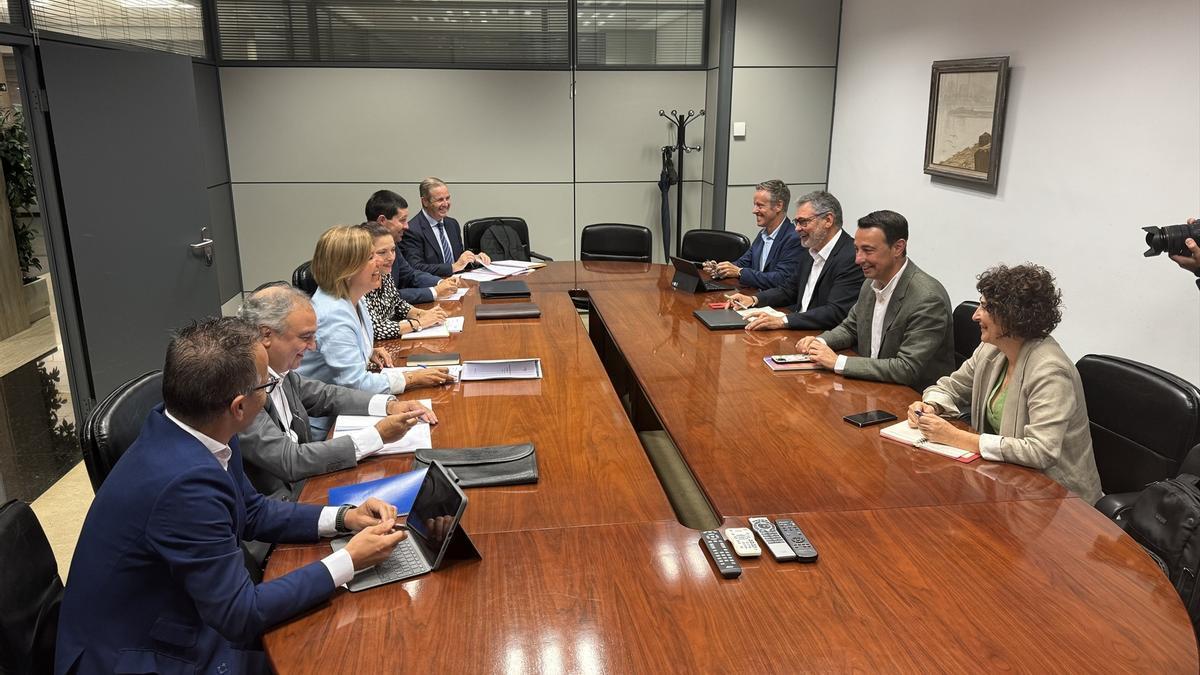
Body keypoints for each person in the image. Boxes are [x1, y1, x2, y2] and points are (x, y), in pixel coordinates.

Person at [55, 317, 407, 674]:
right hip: (137, 655)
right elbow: (241, 614)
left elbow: (251, 511)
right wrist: (348, 561)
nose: (271, 390)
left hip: (184, 613)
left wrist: (343, 517)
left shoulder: (201, 425)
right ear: (239, 406)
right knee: (339, 652)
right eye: (267, 385)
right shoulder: (185, 486)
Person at [906, 264, 1102, 504]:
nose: (975, 315)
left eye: (985, 307)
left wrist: (955, 437)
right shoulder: (991, 349)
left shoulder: (1050, 370)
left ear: (1011, 316)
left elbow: (1040, 451)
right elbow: (950, 387)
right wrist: (931, 406)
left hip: (1057, 502)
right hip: (1002, 482)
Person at [237, 284, 436, 505]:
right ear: (266, 335)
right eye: (306, 337)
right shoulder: (243, 387)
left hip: (308, 486)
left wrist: (388, 405)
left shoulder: (281, 370)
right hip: (282, 512)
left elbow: (325, 395)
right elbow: (290, 460)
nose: (313, 346)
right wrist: (377, 436)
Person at [297, 225, 454, 437]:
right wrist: (412, 378)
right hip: (327, 425)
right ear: (347, 268)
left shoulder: (354, 297)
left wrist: (366, 350)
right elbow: (355, 384)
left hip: (348, 410)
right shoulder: (332, 314)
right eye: (371, 257)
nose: (381, 262)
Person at [796, 210, 954, 391]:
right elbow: (850, 327)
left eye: (868, 250)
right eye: (856, 249)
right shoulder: (870, 283)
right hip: (871, 386)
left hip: (913, 400)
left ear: (898, 248)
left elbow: (906, 368)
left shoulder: (928, 299)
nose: (858, 259)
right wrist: (820, 343)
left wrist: (837, 362)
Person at [725, 190, 864, 330]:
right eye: (796, 222)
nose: (797, 229)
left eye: (803, 222)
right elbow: (789, 290)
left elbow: (835, 312)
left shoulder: (852, 257)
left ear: (828, 220)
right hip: (799, 330)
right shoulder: (809, 250)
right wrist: (754, 299)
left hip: (823, 339)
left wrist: (783, 320)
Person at [360, 216, 451, 339]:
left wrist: (422, 314)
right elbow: (376, 329)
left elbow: (397, 304)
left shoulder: (384, 273)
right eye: (382, 252)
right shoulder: (359, 282)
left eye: (393, 250)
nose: (391, 257)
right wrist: (419, 323)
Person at [365, 189, 460, 305]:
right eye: (402, 220)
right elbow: (386, 298)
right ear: (382, 221)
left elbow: (410, 275)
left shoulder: (392, 244)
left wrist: (440, 282)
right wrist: (434, 291)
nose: (407, 226)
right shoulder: (362, 250)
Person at [703, 179, 801, 290]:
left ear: (778, 206)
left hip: (778, 305)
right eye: (754, 205)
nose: (754, 210)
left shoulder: (794, 238)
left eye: (760, 205)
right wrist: (721, 269)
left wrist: (740, 272)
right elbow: (743, 263)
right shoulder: (763, 234)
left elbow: (781, 279)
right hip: (755, 297)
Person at [402, 177, 488, 276]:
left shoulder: (452, 224)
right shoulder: (412, 230)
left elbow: (458, 258)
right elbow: (415, 268)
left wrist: (474, 259)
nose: (446, 204)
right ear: (425, 201)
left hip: (459, 282)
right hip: (434, 285)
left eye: (447, 198)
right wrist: (452, 267)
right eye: (440, 200)